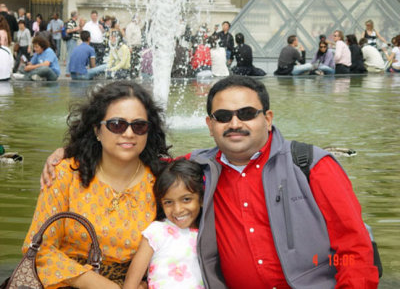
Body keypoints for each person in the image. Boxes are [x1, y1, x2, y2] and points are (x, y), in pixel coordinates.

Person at [42, 76, 380, 288]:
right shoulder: (198, 168)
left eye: (247, 114)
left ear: (268, 117)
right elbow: (133, 152)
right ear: (209, 123)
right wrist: (72, 150)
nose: (235, 123)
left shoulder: (311, 166)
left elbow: (354, 252)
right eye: (223, 117)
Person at [23, 81, 171, 288]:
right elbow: (40, 248)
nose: (128, 134)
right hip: (67, 283)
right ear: (97, 130)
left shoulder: (162, 182)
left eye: (139, 126)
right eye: (117, 125)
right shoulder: (66, 173)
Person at [123, 159, 205, 289]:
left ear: (201, 199)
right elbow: (130, 285)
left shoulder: (206, 233)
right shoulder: (156, 232)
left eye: (186, 199)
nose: (178, 209)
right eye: (168, 202)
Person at [65, 10, 81, 77]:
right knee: (70, 56)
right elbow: (68, 30)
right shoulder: (71, 22)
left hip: (74, 40)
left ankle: (71, 70)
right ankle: (68, 71)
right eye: (77, 15)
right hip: (71, 40)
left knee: (72, 55)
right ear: (75, 16)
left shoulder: (73, 22)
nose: (78, 16)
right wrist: (76, 29)